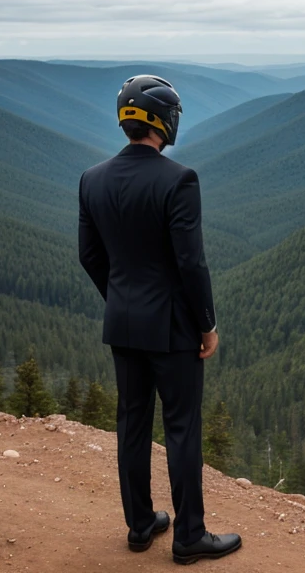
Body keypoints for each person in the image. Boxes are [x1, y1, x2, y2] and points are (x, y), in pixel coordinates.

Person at [78, 74, 242, 565]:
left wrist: (121, 298)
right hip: (172, 329)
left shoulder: (92, 178)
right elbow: (191, 264)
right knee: (181, 429)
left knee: (131, 425)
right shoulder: (178, 179)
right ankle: (189, 537)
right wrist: (207, 324)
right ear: (163, 121)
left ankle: (140, 525)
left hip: (123, 324)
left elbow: (90, 256)